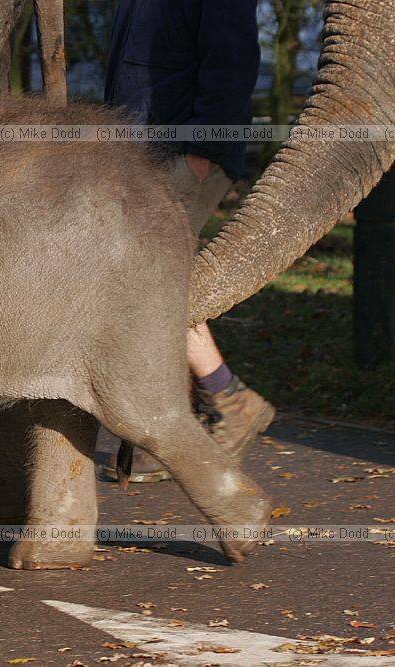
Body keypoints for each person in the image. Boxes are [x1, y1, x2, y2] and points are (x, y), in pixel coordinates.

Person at [101, 0, 275, 483]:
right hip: (143, 155)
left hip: (184, 155)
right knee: (143, 284)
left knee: (138, 284)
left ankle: (229, 401)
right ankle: (168, 431)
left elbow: (234, 61)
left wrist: (202, 150)